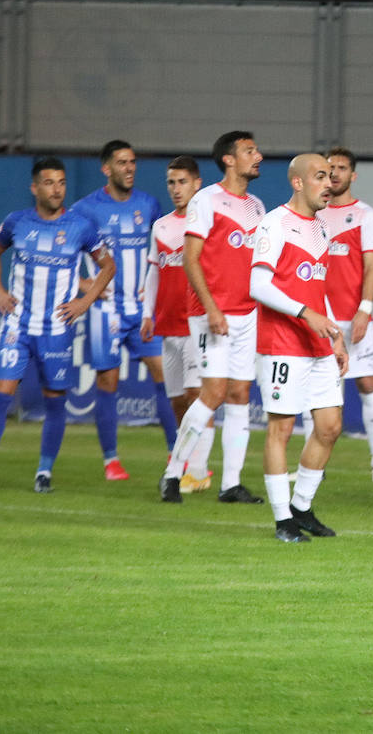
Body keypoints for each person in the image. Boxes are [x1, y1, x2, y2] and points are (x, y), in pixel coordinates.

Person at [0, 157, 116, 494]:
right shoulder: (17, 222)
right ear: (35, 188)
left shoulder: (80, 226)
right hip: (17, 325)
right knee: (1, 392)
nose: (57, 189)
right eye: (49, 183)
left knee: (54, 400)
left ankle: (44, 472)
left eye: (61, 183)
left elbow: (108, 266)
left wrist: (83, 302)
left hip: (56, 330)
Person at [158, 131, 266, 504]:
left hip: (246, 313)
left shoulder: (256, 206)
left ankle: (231, 484)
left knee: (239, 394)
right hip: (210, 315)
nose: (259, 156)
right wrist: (212, 308)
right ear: (229, 159)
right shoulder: (206, 201)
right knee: (214, 393)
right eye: (250, 151)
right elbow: (190, 259)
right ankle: (175, 473)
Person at [249, 153, 349, 543]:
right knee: (281, 429)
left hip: (316, 344)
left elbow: (315, 288)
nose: (329, 183)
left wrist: (334, 334)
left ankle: (302, 507)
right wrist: (307, 314)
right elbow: (258, 285)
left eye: (331, 176)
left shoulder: (321, 228)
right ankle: (281, 521)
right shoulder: (274, 224)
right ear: (298, 182)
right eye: (320, 176)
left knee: (329, 426)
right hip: (282, 344)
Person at [72, 140, 177, 481]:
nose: (129, 168)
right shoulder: (86, 209)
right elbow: (63, 255)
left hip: (143, 309)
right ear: (107, 168)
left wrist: (158, 282)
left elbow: (164, 246)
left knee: (167, 376)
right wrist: (83, 285)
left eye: (132, 162)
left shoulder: (148, 205)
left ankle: (176, 455)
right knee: (108, 379)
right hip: (106, 311)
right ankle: (111, 461)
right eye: (122, 162)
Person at [315, 147, 373, 481]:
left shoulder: (366, 216)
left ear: (352, 175)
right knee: (317, 388)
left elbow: (371, 266)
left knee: (367, 383)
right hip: (320, 318)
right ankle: (316, 463)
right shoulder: (314, 214)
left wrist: (365, 310)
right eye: (329, 168)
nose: (334, 173)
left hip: (353, 316)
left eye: (341, 168)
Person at [141, 156, 215, 493]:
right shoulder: (161, 226)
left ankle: (198, 471)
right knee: (177, 401)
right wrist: (147, 313)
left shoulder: (207, 224)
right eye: (171, 182)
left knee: (198, 395)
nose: (175, 189)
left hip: (197, 323)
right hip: (167, 324)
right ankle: (183, 462)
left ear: (197, 183)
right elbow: (154, 271)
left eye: (182, 181)